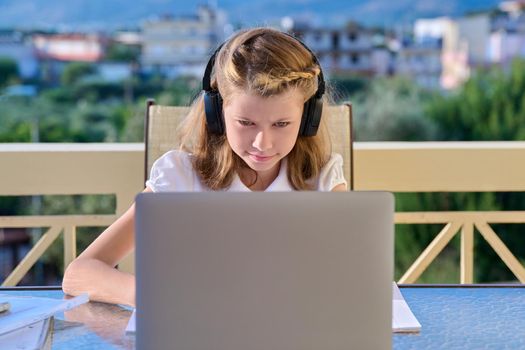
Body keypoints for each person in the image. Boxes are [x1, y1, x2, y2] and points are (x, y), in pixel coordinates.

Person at [62, 27, 347, 307]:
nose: (263, 143)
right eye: (246, 123)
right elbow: (79, 274)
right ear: (216, 114)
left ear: (309, 117)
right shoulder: (179, 177)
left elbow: (347, 275)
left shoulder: (323, 180)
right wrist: (150, 296)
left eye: (282, 124)